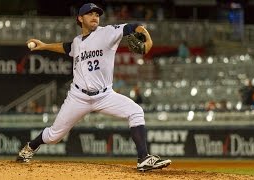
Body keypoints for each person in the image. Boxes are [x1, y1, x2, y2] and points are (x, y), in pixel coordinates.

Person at [16, 3, 171, 171]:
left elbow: (134, 27)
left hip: (105, 96)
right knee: (54, 136)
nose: (95, 16)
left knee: (136, 111)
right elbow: (67, 47)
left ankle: (143, 158)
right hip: (78, 97)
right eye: (89, 14)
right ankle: (30, 147)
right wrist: (45, 45)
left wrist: (148, 39)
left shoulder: (107, 33)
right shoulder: (77, 42)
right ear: (80, 18)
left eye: (97, 14)